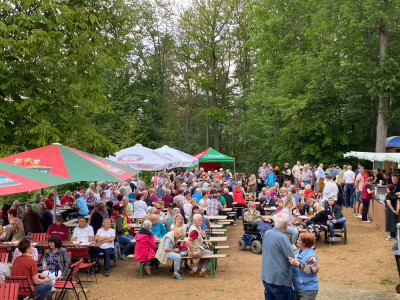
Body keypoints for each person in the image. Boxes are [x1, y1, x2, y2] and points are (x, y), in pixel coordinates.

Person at [261, 212, 295, 300]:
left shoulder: (267, 233)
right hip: (279, 280)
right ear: (286, 224)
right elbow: (291, 257)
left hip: (267, 276)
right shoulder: (282, 237)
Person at [288, 232, 319, 300]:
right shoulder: (298, 252)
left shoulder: (310, 256)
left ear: (304, 243)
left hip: (308, 290)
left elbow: (313, 269)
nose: (297, 241)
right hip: (298, 287)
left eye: (299, 240)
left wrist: (298, 264)